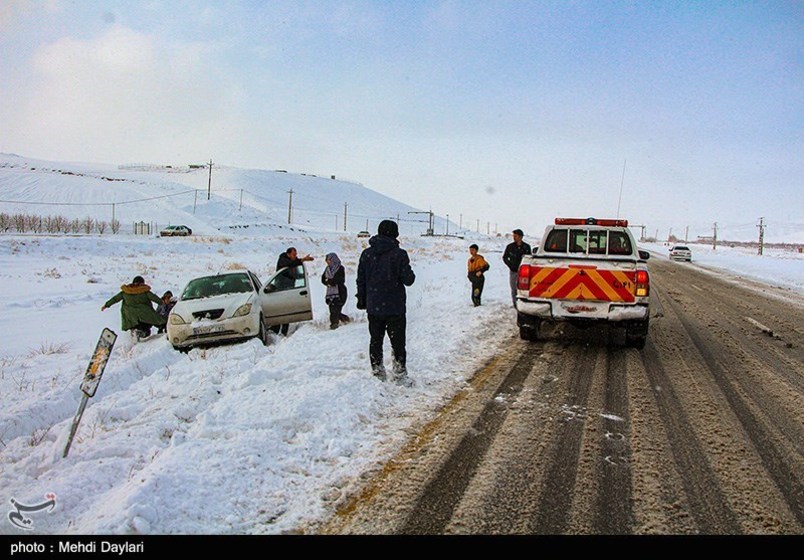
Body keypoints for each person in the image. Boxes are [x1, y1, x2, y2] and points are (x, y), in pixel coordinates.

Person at [356, 220, 415, 385]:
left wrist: (362, 299)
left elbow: (361, 280)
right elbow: (408, 280)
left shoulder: (366, 254)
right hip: (394, 307)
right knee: (397, 342)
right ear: (395, 234)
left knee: (375, 340)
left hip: (374, 306)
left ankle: (377, 372)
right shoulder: (399, 254)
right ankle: (399, 374)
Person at [101, 275, 166, 340]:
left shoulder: (126, 291)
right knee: (148, 327)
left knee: (134, 327)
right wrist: (163, 302)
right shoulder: (144, 291)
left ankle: (135, 336)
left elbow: (115, 299)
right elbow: (155, 299)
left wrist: (106, 305)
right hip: (145, 314)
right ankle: (142, 333)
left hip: (130, 316)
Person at [272, 247, 314, 335]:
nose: (295, 256)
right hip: (280, 290)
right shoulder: (283, 259)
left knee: (287, 311)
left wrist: (302, 275)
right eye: (294, 255)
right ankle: (275, 331)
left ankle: (284, 332)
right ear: (288, 254)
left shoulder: (293, 262)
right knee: (279, 311)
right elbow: (290, 263)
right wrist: (302, 260)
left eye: (296, 255)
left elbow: (295, 271)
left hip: (290, 290)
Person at [502, 229, 532, 307]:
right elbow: (505, 257)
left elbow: (529, 258)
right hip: (514, 271)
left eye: (516, 236)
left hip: (524, 272)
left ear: (521, 237)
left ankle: (523, 303)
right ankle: (515, 304)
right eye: (513, 236)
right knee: (514, 288)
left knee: (524, 288)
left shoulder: (526, 247)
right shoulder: (510, 247)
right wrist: (510, 265)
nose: (514, 237)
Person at [321, 252, 351, 329]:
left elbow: (338, 280)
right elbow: (323, 279)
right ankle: (345, 320)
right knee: (333, 309)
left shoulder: (340, 268)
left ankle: (334, 324)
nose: (327, 262)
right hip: (330, 293)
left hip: (340, 292)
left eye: (328, 260)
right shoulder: (327, 269)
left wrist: (329, 281)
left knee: (336, 309)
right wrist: (329, 281)